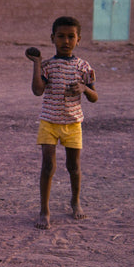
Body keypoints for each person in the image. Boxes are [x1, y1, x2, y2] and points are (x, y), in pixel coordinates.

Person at [25, 16, 99, 230]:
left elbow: (95, 96)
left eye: (70, 37)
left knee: (73, 166)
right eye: (61, 36)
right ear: (52, 38)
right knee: (48, 166)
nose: (66, 41)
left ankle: (75, 201)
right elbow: (38, 90)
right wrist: (37, 64)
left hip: (73, 123)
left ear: (79, 39)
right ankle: (44, 210)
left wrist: (84, 89)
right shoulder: (48, 66)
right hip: (49, 122)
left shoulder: (84, 67)